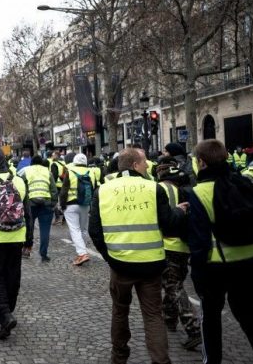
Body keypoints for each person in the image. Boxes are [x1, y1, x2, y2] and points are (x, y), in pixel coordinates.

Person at [89, 148, 187, 364]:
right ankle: (160, 360)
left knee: (120, 312)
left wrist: (109, 257)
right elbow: (169, 225)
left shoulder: (103, 191)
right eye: (144, 162)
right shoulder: (154, 188)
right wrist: (179, 211)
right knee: (153, 315)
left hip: (120, 264)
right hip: (151, 265)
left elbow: (94, 231)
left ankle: (119, 356)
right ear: (135, 165)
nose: (148, 165)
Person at [188, 139, 253, 364]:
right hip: (251, 260)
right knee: (251, 320)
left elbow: (199, 241)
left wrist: (197, 275)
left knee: (210, 320)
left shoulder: (199, 192)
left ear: (201, 162)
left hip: (217, 264)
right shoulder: (244, 182)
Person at [0, 148, 32, 340]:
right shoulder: (19, 180)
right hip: (17, 236)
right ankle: (7, 313)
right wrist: (29, 239)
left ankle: (4, 312)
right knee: (12, 277)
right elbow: (27, 211)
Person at [155, 157, 202, 350]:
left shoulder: (158, 190)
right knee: (172, 284)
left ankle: (193, 329)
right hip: (183, 246)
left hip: (167, 245)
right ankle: (169, 318)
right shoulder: (185, 190)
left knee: (174, 287)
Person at [60, 154, 94, 266]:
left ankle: (82, 253)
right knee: (83, 230)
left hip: (71, 205)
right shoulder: (91, 172)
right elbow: (93, 189)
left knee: (75, 230)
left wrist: (62, 205)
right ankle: (81, 253)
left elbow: (64, 190)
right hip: (85, 204)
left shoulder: (70, 171)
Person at [21, 155, 57, 261]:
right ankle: (43, 254)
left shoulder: (26, 171)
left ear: (31, 163)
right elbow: (53, 190)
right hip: (46, 204)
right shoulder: (47, 172)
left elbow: (21, 185)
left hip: (30, 204)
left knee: (29, 227)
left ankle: (27, 249)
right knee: (45, 230)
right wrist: (53, 203)